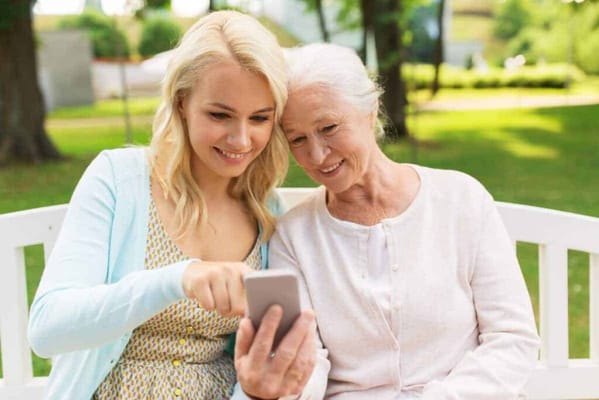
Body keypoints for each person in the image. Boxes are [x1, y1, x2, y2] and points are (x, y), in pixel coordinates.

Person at [27, 11, 315, 400]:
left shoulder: (267, 212)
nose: (241, 139)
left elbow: (269, 361)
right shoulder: (119, 179)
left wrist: (254, 389)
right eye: (220, 115)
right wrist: (177, 279)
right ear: (181, 103)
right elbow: (48, 328)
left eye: (260, 118)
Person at [247, 42, 540, 399]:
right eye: (298, 139)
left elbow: (512, 338)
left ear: (370, 111)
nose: (317, 155)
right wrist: (281, 385)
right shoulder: (292, 237)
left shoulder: (462, 199)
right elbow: (303, 366)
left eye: (329, 128)